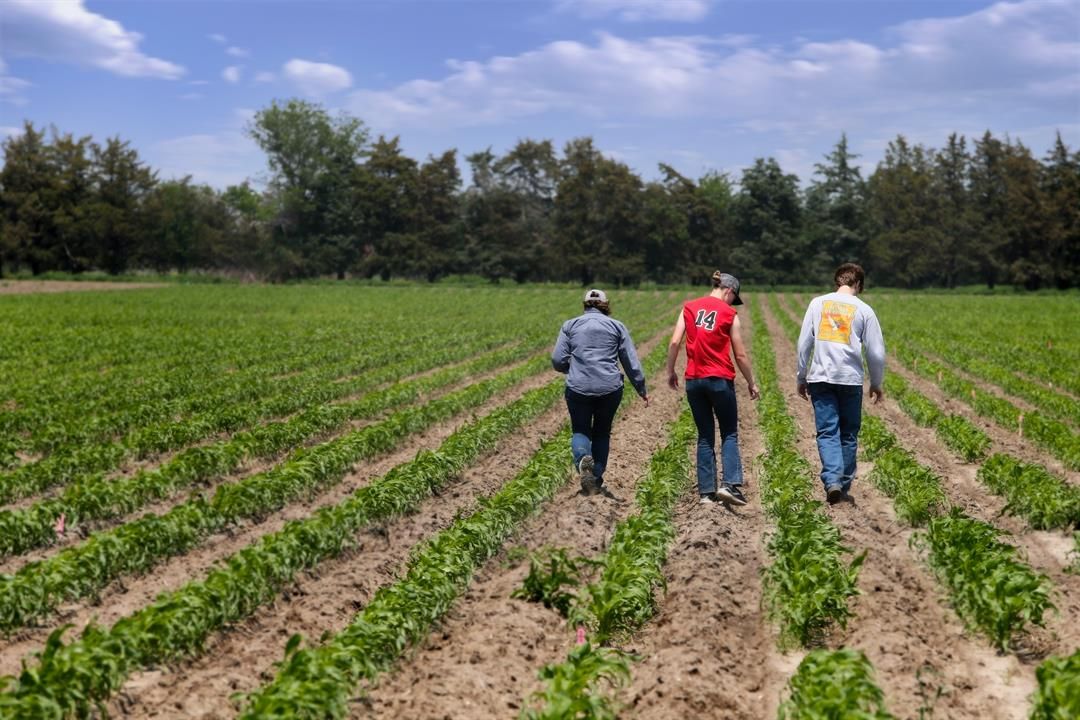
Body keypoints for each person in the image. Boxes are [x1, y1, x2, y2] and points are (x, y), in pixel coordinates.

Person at [666, 271, 760, 506]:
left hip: (694, 380)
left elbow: (675, 341)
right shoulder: (729, 314)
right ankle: (729, 485)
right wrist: (751, 382)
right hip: (719, 380)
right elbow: (739, 354)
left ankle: (706, 493)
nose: (732, 302)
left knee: (705, 436)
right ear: (728, 290)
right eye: (733, 297)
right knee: (729, 432)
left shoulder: (688, 308)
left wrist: (670, 371)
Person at [796, 263, 886, 504]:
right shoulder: (864, 310)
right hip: (850, 379)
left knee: (827, 432)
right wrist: (876, 383)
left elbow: (804, 343)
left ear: (838, 281)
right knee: (848, 434)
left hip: (821, 377)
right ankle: (842, 484)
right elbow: (876, 353)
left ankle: (833, 480)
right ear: (858, 284)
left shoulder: (817, 304)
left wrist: (801, 376)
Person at [552, 288, 649, 496]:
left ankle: (582, 462)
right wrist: (641, 388)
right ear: (606, 305)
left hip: (578, 387)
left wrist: (572, 369)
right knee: (602, 431)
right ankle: (595, 475)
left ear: (585, 305)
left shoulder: (570, 325)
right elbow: (630, 362)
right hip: (609, 388)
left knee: (580, 430)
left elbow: (558, 359)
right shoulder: (617, 326)